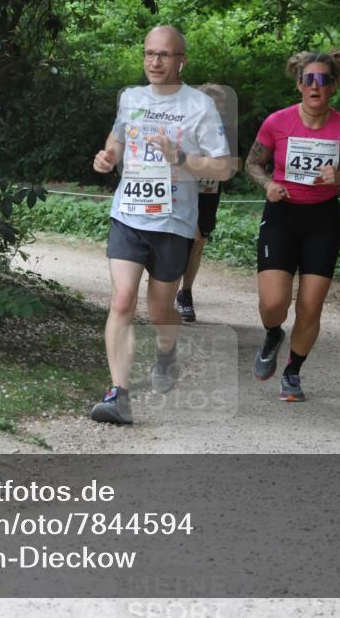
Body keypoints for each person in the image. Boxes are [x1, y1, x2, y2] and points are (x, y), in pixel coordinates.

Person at [89, 26, 234, 425]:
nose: (155, 62)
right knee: (121, 300)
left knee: (159, 312)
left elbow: (223, 167)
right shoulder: (131, 98)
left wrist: (182, 158)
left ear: (181, 60)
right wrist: (108, 156)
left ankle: (167, 352)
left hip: (173, 221)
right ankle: (117, 394)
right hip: (129, 214)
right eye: (149, 54)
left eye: (164, 55)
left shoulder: (199, 106)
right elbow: (116, 139)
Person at [246, 49, 340, 402]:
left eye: (324, 80)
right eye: (309, 79)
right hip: (282, 216)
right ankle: (273, 333)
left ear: (334, 86)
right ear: (299, 84)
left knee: (310, 307)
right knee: (274, 303)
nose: (316, 86)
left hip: (322, 221)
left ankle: (292, 371)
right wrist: (269, 184)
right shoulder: (277, 122)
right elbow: (252, 164)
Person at [173, 83, 240, 323]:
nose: (218, 107)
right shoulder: (181, 124)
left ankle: (185, 292)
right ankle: (170, 287)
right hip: (181, 188)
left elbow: (235, 165)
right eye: (213, 102)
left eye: (221, 103)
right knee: (183, 237)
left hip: (209, 191)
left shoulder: (227, 131)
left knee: (198, 242)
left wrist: (222, 165)